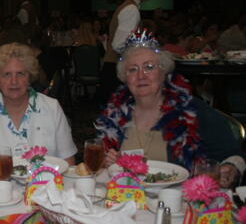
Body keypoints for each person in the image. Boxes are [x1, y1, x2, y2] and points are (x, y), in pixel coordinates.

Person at [95, 30, 245, 188]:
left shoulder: (191, 110)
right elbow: (101, 164)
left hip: (179, 203)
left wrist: (230, 168)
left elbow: (233, 155)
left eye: (149, 67)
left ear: (163, 72)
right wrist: (106, 162)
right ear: (125, 77)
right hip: (127, 200)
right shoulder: (114, 115)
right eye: (133, 69)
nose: (141, 75)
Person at [0, 43, 77, 162]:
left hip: (50, 180)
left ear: (29, 77)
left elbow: (68, 162)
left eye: (20, 73)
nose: (14, 81)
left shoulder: (52, 108)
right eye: (7, 74)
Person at [100, 0, 156, 102]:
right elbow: (119, 45)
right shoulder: (131, 9)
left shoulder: (127, 6)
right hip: (116, 70)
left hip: (112, 67)